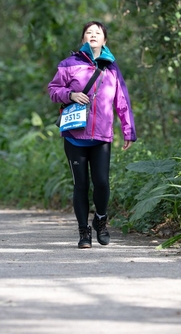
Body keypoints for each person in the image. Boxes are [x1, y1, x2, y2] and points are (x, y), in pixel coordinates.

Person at [48, 21, 137, 249]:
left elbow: (122, 100)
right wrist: (71, 94)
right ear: (83, 39)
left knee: (102, 183)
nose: (93, 35)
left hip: (101, 136)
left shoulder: (111, 67)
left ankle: (100, 220)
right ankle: (84, 232)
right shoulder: (69, 64)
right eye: (88, 32)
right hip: (74, 135)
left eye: (98, 33)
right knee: (80, 185)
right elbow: (53, 90)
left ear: (104, 40)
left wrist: (128, 130)